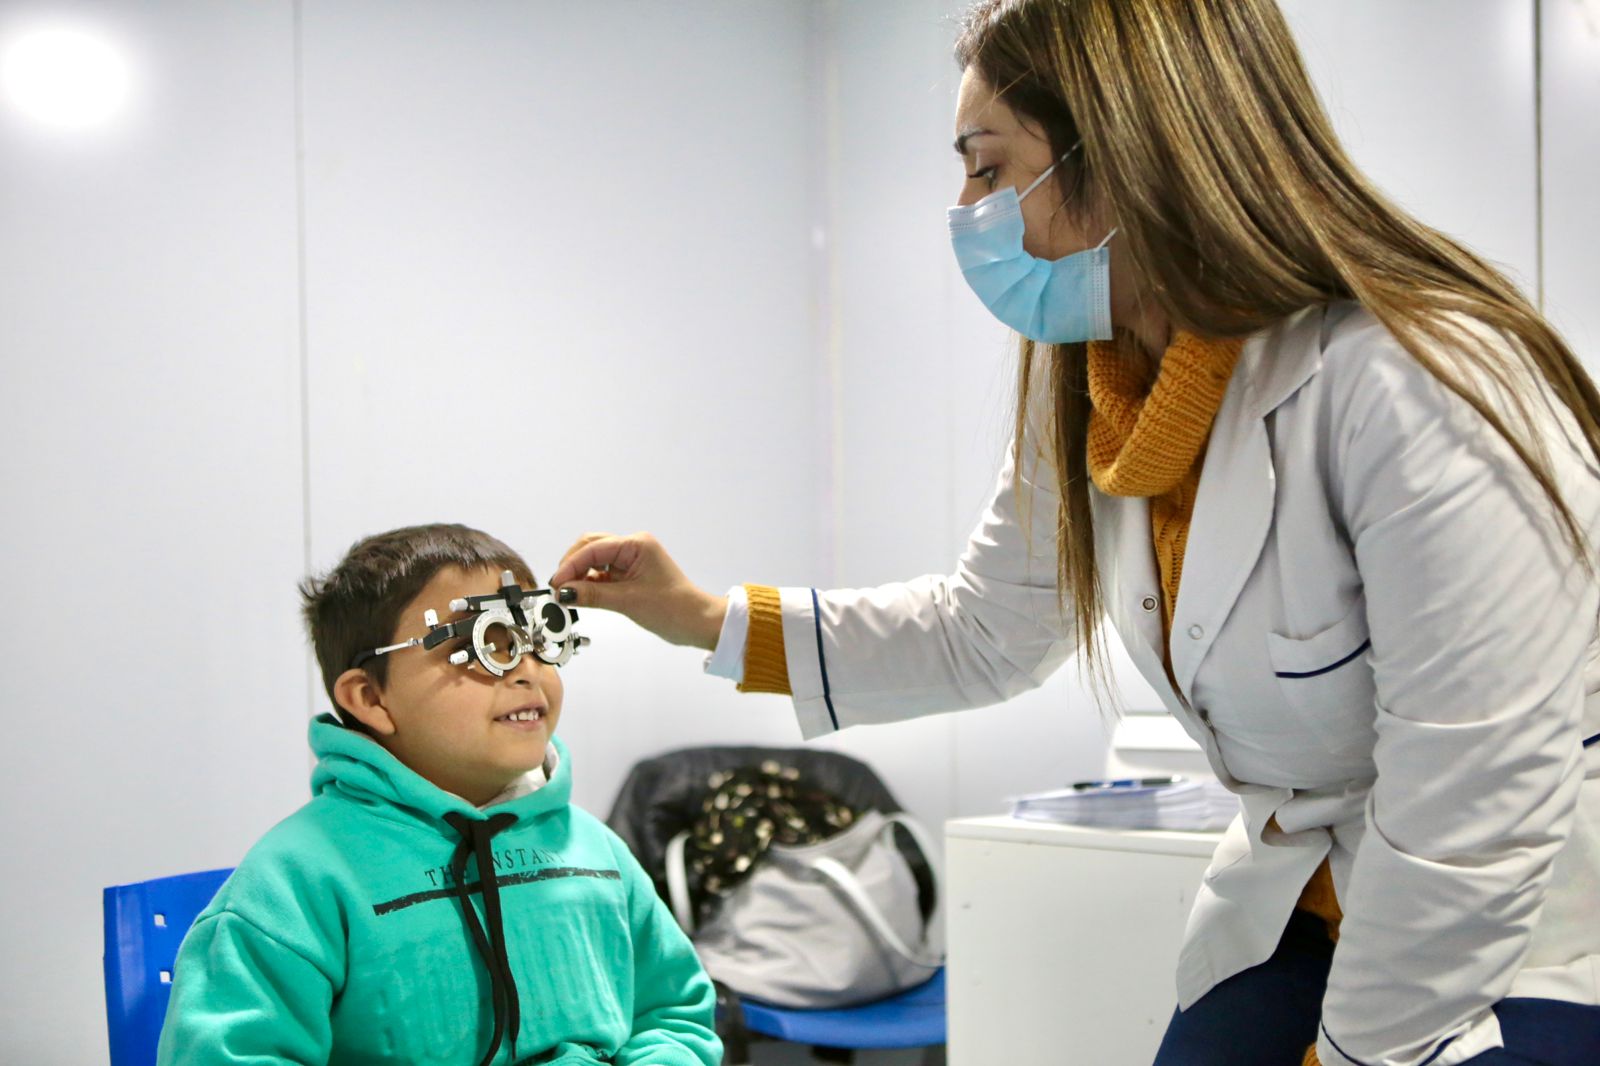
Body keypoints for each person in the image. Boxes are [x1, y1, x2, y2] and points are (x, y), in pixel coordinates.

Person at [547, 2, 1600, 1064]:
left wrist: (1361, 1051)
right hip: (1306, 881)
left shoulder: (1419, 381)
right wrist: (694, 618)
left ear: (1134, 148)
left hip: (1532, 902)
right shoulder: (1106, 385)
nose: (964, 206)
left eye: (987, 166)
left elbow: (1475, 797)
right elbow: (981, 632)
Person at [157, 524, 720, 1066]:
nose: (526, 670)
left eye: (535, 638)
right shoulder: (297, 882)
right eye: (486, 645)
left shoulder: (596, 854)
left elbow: (673, 1012)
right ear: (371, 698)